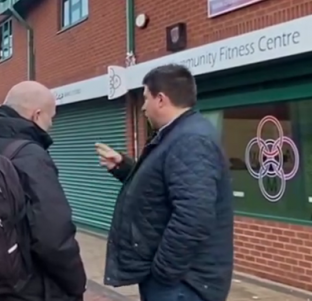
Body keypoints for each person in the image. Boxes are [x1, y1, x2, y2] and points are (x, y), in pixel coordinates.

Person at [95, 64, 233, 301]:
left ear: (161, 99)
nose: (143, 107)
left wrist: (164, 271)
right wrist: (123, 166)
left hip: (181, 285)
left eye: (146, 98)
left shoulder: (190, 140)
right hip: (176, 282)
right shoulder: (178, 134)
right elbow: (163, 185)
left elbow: (194, 214)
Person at [0, 80, 86, 301]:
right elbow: (52, 234)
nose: (51, 124)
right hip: (28, 289)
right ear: (36, 115)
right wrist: (75, 283)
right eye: (51, 117)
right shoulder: (31, 155)